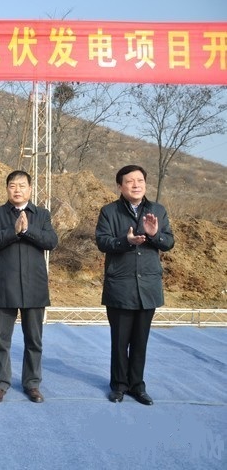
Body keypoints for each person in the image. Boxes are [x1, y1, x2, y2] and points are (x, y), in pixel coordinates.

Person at [95, 165, 174, 406]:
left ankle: (137, 386)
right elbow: (102, 241)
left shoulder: (158, 210)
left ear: (145, 184)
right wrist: (126, 241)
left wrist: (154, 234)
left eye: (140, 180)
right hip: (120, 286)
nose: (136, 185)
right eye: (130, 181)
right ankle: (119, 385)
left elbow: (168, 242)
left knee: (140, 342)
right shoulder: (109, 211)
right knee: (120, 342)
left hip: (148, 287)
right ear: (120, 186)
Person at [0, 170, 58, 404]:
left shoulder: (42, 214)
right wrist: (12, 232)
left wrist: (27, 230)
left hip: (34, 288)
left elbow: (51, 241)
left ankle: (32, 384)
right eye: (13, 186)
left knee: (34, 341)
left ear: (30, 189)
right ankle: (0, 384)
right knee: (1, 341)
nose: (17, 190)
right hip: (5, 287)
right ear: (7, 189)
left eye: (22, 185)